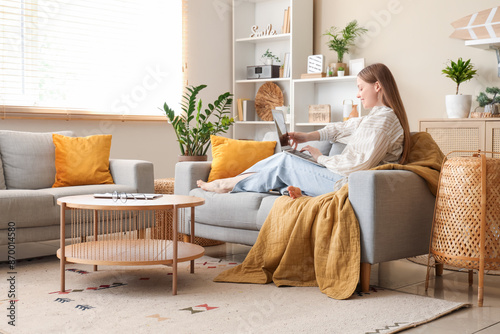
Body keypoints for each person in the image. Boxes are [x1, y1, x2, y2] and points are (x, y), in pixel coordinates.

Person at [197, 63, 411, 198]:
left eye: (360, 87)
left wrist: (320, 158)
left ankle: (227, 184)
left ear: (377, 86)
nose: (358, 95)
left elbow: (356, 165)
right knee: (285, 158)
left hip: (345, 184)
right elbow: (341, 128)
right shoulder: (376, 117)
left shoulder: (384, 121)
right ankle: (234, 182)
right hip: (341, 178)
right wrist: (307, 135)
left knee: (285, 161)